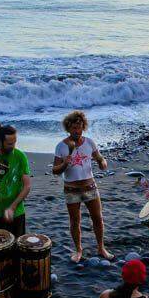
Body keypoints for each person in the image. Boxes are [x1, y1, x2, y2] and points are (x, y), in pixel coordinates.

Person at [52, 111, 113, 262]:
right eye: (73, 128)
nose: (77, 131)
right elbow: (54, 171)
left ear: (83, 127)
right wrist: (65, 163)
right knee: (75, 221)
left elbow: (100, 159)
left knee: (97, 218)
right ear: (68, 128)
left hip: (90, 186)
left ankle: (101, 247)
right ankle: (78, 250)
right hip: (71, 189)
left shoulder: (89, 143)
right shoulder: (61, 146)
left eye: (79, 127)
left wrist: (102, 163)